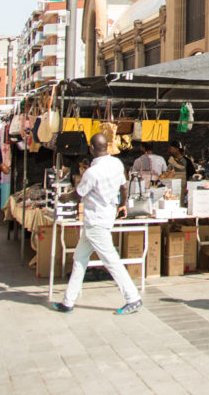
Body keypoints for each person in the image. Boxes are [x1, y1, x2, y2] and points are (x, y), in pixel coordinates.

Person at [53, 133, 142, 315]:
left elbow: (77, 195)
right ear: (107, 147)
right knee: (79, 258)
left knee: (111, 261)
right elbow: (124, 187)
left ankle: (133, 298)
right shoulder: (116, 164)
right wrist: (123, 204)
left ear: (92, 148)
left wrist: (63, 197)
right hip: (104, 218)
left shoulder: (91, 173)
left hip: (96, 221)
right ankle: (68, 301)